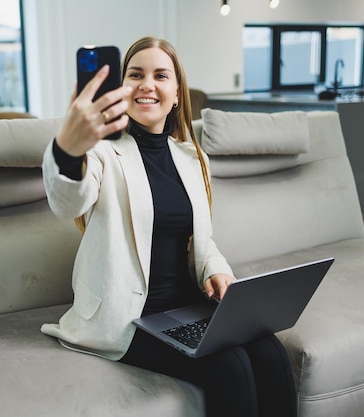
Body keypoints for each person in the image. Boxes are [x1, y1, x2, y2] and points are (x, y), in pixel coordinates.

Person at [41, 36, 296, 417]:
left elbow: (201, 240)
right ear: (121, 89)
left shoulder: (193, 158)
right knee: (232, 368)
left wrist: (217, 271)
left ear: (177, 93)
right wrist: (68, 148)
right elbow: (68, 201)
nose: (147, 84)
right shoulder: (100, 153)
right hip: (128, 319)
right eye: (135, 74)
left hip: (184, 308)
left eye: (161, 75)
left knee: (271, 353)